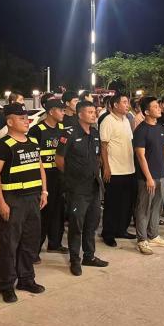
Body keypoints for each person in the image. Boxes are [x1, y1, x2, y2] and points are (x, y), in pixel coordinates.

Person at [0, 102, 47, 303]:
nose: (26, 121)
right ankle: (6, 284)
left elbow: (40, 167)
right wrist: (0, 202)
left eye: (27, 118)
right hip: (13, 200)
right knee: (9, 245)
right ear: (10, 121)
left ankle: (26, 279)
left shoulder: (33, 141)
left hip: (33, 199)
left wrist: (44, 191)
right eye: (21, 118)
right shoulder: (2, 145)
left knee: (30, 242)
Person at [56, 100, 109, 274]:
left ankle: (89, 256)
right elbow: (59, 160)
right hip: (77, 189)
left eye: (95, 112)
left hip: (93, 186)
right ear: (80, 114)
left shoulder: (94, 133)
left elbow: (97, 157)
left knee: (92, 223)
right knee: (76, 225)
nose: (94, 115)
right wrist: (72, 178)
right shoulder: (69, 133)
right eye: (90, 112)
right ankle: (74, 260)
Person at [132, 97, 164, 254]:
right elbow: (140, 156)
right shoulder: (141, 130)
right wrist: (148, 177)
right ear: (147, 111)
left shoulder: (160, 127)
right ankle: (142, 240)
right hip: (147, 178)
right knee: (144, 208)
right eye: (155, 106)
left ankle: (153, 235)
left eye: (158, 106)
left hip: (161, 175)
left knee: (157, 206)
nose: (159, 108)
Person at [28, 98, 67, 257]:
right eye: (61, 110)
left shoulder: (63, 128)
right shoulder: (37, 130)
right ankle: (34, 250)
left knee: (58, 211)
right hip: (44, 177)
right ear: (51, 112)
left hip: (59, 175)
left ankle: (55, 243)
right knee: (43, 213)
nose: (63, 113)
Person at [99, 93, 136, 247]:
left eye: (128, 102)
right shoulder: (107, 120)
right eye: (124, 102)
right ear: (115, 105)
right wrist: (106, 167)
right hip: (114, 170)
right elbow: (103, 145)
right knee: (112, 204)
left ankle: (121, 230)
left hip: (129, 168)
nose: (128, 105)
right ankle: (108, 233)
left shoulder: (126, 120)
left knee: (126, 203)